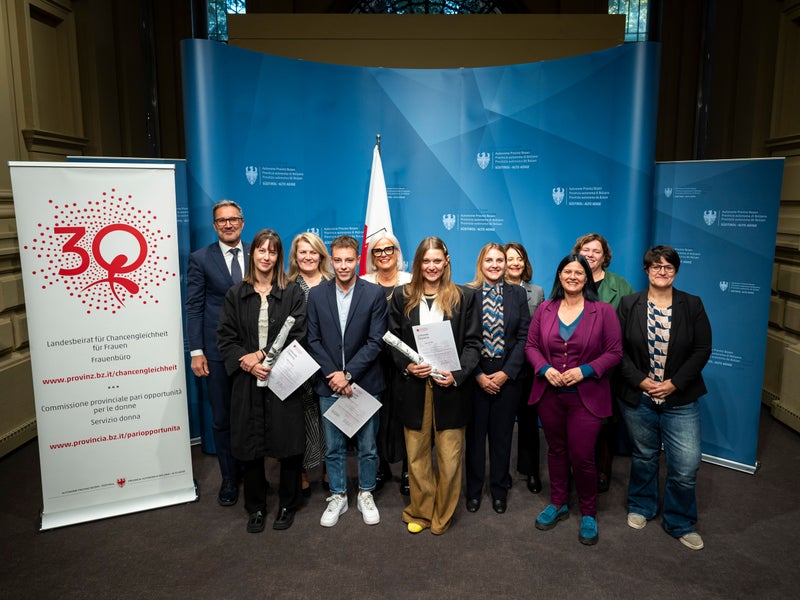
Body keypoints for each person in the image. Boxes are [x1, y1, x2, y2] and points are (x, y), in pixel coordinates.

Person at [616, 245, 712, 551]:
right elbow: (617, 350)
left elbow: (702, 350)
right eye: (655, 266)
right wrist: (641, 381)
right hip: (639, 397)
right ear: (646, 270)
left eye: (668, 267)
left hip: (680, 399)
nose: (662, 271)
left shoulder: (692, 304)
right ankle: (642, 505)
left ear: (676, 271)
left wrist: (674, 384)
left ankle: (679, 521)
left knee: (685, 465)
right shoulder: (629, 304)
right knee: (644, 456)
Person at [525, 254, 622, 545]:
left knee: (582, 455)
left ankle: (589, 512)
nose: (573, 276)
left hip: (586, 396)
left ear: (587, 278)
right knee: (556, 450)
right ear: (560, 275)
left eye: (579, 272)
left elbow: (614, 352)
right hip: (550, 395)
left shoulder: (603, 311)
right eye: (567, 271)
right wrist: (545, 369)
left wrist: (585, 370)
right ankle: (558, 503)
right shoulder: (545, 308)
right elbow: (531, 346)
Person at [387, 237, 481, 535]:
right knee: (416, 457)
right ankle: (421, 511)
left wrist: (458, 374)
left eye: (437, 261)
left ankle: (442, 515)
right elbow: (391, 340)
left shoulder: (465, 297)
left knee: (449, 458)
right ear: (418, 263)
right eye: (426, 261)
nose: (431, 266)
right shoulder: (402, 296)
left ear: (446, 261)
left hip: (450, 389)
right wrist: (407, 366)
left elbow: (473, 344)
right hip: (414, 389)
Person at [216, 229, 306, 533]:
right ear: (252, 253)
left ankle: (287, 503)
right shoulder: (236, 294)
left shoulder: (292, 292)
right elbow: (225, 338)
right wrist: (250, 364)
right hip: (247, 378)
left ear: (279, 256)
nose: (266, 257)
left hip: (283, 376)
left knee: (289, 443)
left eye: (272, 251)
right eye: (261, 250)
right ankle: (255, 507)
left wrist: (263, 355)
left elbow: (299, 334)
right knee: (250, 443)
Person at [306, 235, 388, 527]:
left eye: (349, 260)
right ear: (331, 260)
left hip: (365, 383)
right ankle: (338, 494)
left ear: (358, 261)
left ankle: (366, 492)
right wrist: (335, 376)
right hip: (329, 382)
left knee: (368, 447)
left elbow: (376, 341)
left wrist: (348, 374)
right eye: (338, 260)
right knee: (333, 446)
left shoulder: (374, 294)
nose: (343, 266)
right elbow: (313, 340)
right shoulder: (317, 295)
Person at [186, 199, 248, 507]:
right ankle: (229, 478)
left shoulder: (259, 253)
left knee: (251, 416)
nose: (228, 224)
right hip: (217, 352)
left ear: (242, 223)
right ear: (214, 225)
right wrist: (197, 351)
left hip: (254, 353)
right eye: (222, 220)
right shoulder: (200, 259)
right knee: (222, 418)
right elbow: (194, 307)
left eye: (233, 219)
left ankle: (253, 474)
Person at [465, 243, 531, 514]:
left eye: (499, 260)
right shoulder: (467, 294)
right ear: (481, 264)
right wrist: (478, 375)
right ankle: (473, 491)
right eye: (489, 260)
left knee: (502, 438)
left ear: (505, 264)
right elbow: (462, 338)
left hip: (508, 376)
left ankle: (499, 491)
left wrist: (506, 373)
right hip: (475, 376)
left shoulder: (517, 293)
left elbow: (525, 336)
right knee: (475, 439)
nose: (494, 265)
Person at [573, 233, 635, 493]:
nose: (590, 254)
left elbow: (631, 329)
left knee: (604, 423)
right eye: (585, 250)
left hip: (607, 369)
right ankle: (575, 469)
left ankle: (602, 471)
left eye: (596, 251)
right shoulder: (571, 278)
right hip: (573, 365)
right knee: (575, 420)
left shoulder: (620, 286)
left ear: (605, 257)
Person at [362, 233, 412, 495]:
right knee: (377, 416)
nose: (383, 255)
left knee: (406, 414)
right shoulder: (363, 283)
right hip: (374, 361)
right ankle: (380, 466)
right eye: (377, 251)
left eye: (388, 249)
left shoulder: (412, 282)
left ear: (397, 252)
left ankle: (408, 469)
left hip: (405, 362)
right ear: (372, 256)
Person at [287, 231, 333, 496]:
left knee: (329, 415)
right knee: (302, 418)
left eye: (312, 252)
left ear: (321, 255)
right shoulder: (287, 285)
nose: (307, 257)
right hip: (297, 363)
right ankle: (303, 470)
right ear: (295, 256)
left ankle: (329, 467)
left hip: (327, 360)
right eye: (302, 252)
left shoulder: (333, 282)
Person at [503, 242, 545, 494]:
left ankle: (531, 471)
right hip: (503, 366)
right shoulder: (494, 289)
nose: (515, 263)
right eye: (510, 258)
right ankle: (502, 471)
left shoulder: (537, 292)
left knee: (529, 422)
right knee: (504, 422)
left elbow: (541, 329)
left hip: (529, 367)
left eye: (519, 258)